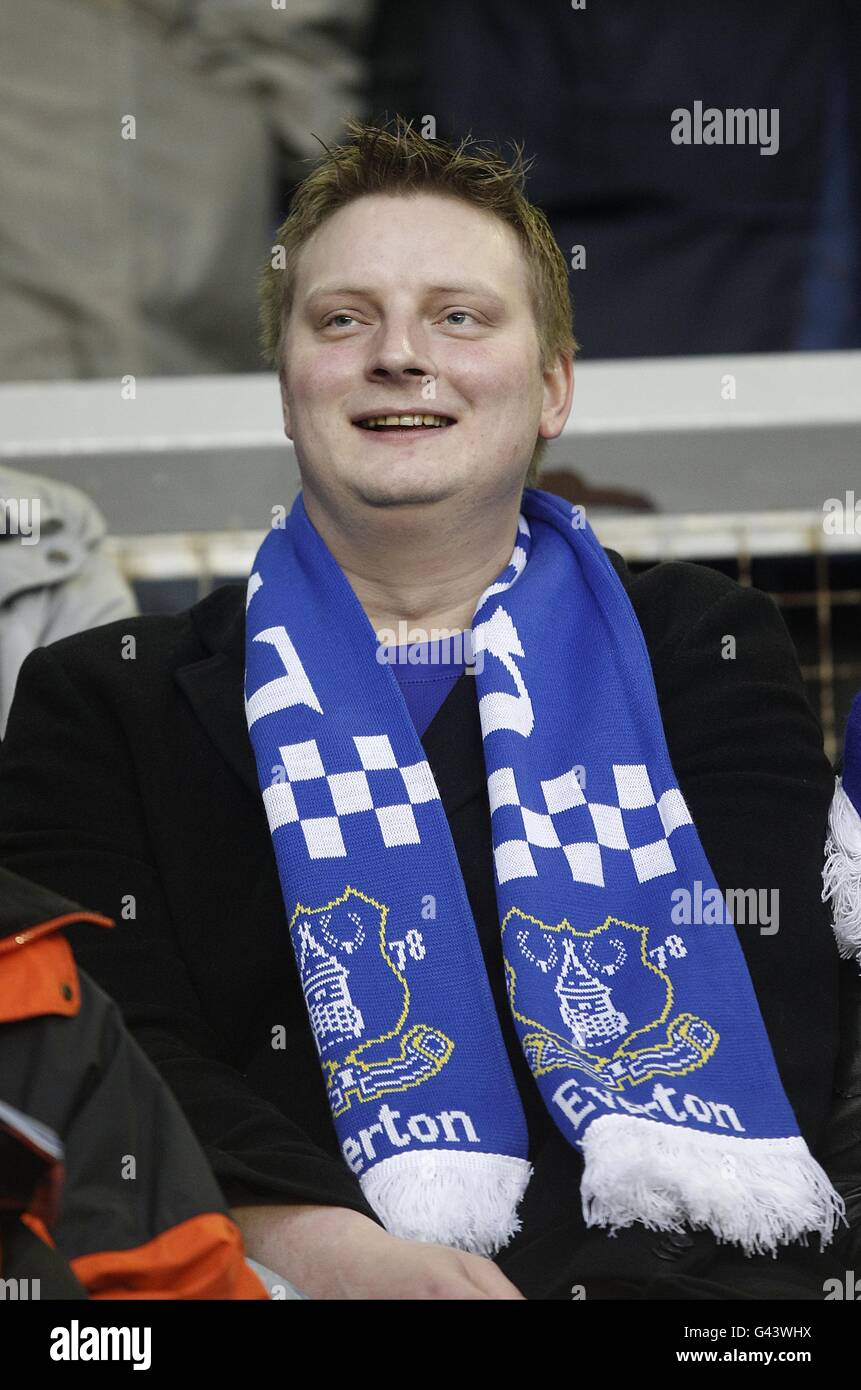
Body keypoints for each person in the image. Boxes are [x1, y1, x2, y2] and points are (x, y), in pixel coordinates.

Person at [0, 119, 849, 1300]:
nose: (401, 356)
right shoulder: (103, 696)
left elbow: (777, 1014)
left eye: (460, 315)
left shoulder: (701, 644)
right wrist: (325, 1249)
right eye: (344, 319)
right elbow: (116, 1053)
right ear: (288, 387)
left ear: (552, 385)